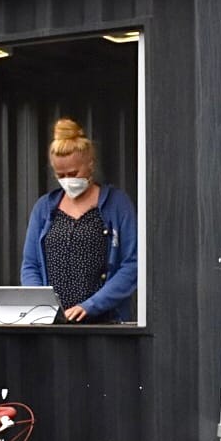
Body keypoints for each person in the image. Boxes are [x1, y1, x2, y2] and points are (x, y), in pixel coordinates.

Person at [20, 118, 138, 322]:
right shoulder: (44, 208)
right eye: (61, 175)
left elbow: (132, 264)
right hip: (54, 325)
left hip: (107, 323)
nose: (68, 180)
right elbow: (30, 265)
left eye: (74, 173)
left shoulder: (117, 204)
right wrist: (43, 306)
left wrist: (92, 305)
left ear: (90, 164)